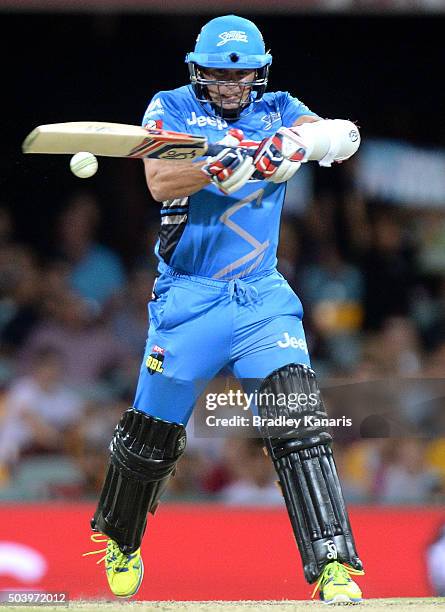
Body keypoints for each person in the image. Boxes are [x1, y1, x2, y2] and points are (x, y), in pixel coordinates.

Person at [84, 14, 364, 603]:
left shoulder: (280, 106)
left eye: (240, 76)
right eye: (217, 74)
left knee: (299, 422)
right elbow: (160, 180)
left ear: (259, 73)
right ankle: (122, 539)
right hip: (189, 300)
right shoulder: (174, 107)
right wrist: (220, 166)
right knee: (149, 439)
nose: (229, 86)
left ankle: (334, 565)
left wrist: (294, 144)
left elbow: (344, 137)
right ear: (198, 69)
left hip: (262, 297)